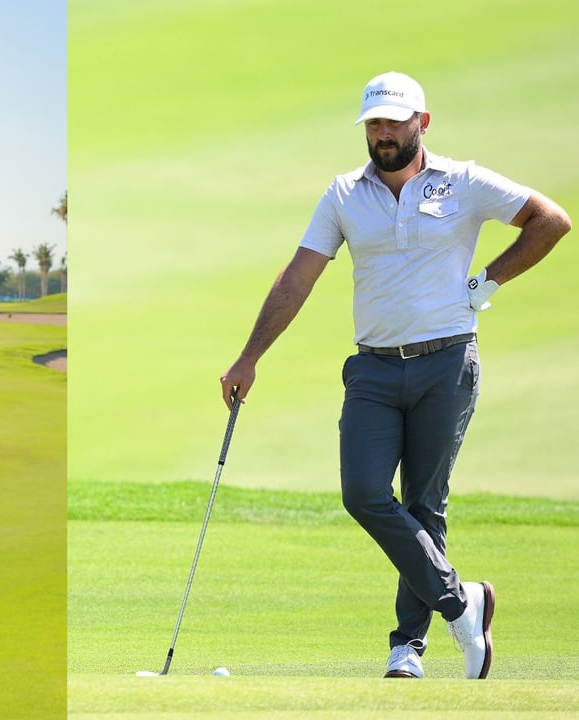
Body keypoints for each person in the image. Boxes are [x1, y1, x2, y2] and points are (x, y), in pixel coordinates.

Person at [219, 72, 570, 680]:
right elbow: (298, 276)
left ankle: (407, 646)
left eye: (393, 122)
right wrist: (250, 357)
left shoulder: (463, 182)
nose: (382, 133)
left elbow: (551, 220)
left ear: (421, 123)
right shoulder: (344, 194)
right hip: (374, 372)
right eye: (373, 124)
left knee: (425, 504)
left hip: (447, 364)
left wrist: (485, 283)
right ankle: (465, 604)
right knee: (363, 493)